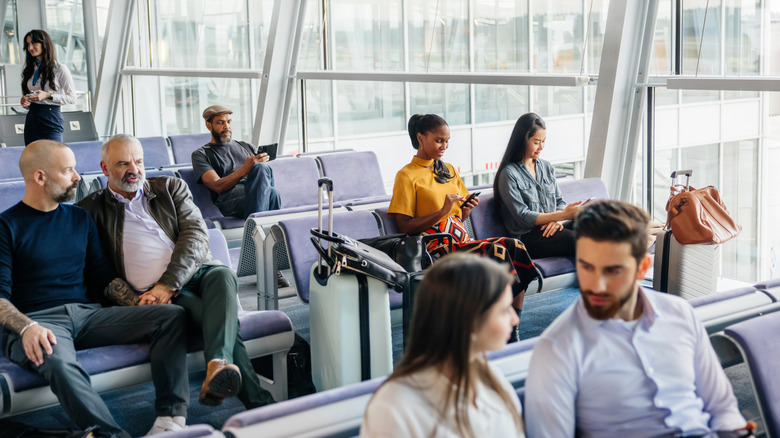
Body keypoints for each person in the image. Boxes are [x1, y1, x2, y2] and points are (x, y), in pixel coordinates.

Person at [0, 140, 189, 437]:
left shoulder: (79, 218)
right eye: (68, 170)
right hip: (39, 322)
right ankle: (112, 435)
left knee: (170, 315)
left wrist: (141, 305)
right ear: (40, 177)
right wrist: (26, 328)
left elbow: (104, 278)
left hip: (87, 315)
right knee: (57, 360)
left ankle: (171, 418)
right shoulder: (6, 226)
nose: (77, 176)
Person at [524, 200, 754, 438]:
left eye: (613, 270)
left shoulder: (680, 315)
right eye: (587, 267)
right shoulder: (556, 348)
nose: (597, 285)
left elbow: (722, 407)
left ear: (642, 268)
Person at [79, 134, 276, 410]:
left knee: (222, 274)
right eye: (123, 164)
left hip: (194, 274)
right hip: (158, 295)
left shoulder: (170, 187)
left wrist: (169, 283)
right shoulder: (90, 209)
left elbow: (196, 234)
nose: (134, 169)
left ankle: (228, 373)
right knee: (220, 320)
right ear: (104, 169)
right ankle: (248, 394)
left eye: (138, 161)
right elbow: (96, 270)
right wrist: (141, 299)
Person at [387, 113, 538, 338]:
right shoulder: (406, 176)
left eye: (447, 141)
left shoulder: (448, 169)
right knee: (497, 252)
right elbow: (404, 226)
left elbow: (461, 216)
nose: (444, 146)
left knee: (514, 246)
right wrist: (442, 212)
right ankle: (499, 324)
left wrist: (467, 207)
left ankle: (512, 325)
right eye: (439, 140)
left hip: (461, 242)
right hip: (436, 250)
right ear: (420, 138)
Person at [360, 253, 524, 438]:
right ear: (470, 321)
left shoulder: (490, 377)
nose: (514, 318)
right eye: (504, 310)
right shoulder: (395, 406)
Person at [191, 104, 288, 287]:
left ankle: (265, 258)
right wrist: (245, 169)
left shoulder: (245, 146)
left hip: (256, 194)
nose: (226, 126)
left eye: (228, 122)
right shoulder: (201, 154)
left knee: (271, 187)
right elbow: (217, 186)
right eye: (220, 123)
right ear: (209, 125)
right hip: (229, 200)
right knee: (262, 174)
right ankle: (266, 258)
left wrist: (257, 166)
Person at [493, 113, 584, 259]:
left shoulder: (546, 167)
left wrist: (557, 220)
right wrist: (562, 215)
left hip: (552, 226)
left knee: (593, 227)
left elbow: (559, 201)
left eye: (543, 141)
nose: (541, 147)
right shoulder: (508, 174)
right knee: (580, 242)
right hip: (529, 238)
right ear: (522, 140)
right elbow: (523, 216)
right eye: (536, 142)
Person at [20, 29, 77, 145]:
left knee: (54, 160)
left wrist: (48, 95)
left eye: (34, 43)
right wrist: (26, 102)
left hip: (51, 119)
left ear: (44, 44)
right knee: (33, 161)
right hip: (32, 119)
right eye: (28, 44)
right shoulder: (30, 69)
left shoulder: (60, 69)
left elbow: (72, 98)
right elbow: (32, 98)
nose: (30, 47)